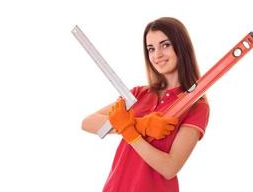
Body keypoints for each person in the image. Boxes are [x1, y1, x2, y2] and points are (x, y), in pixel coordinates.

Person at [82, 17, 210, 192]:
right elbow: (88, 122)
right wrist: (141, 125)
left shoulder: (196, 106)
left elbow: (169, 168)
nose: (157, 55)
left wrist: (129, 131)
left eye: (165, 45)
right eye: (151, 49)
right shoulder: (137, 94)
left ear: (181, 47)